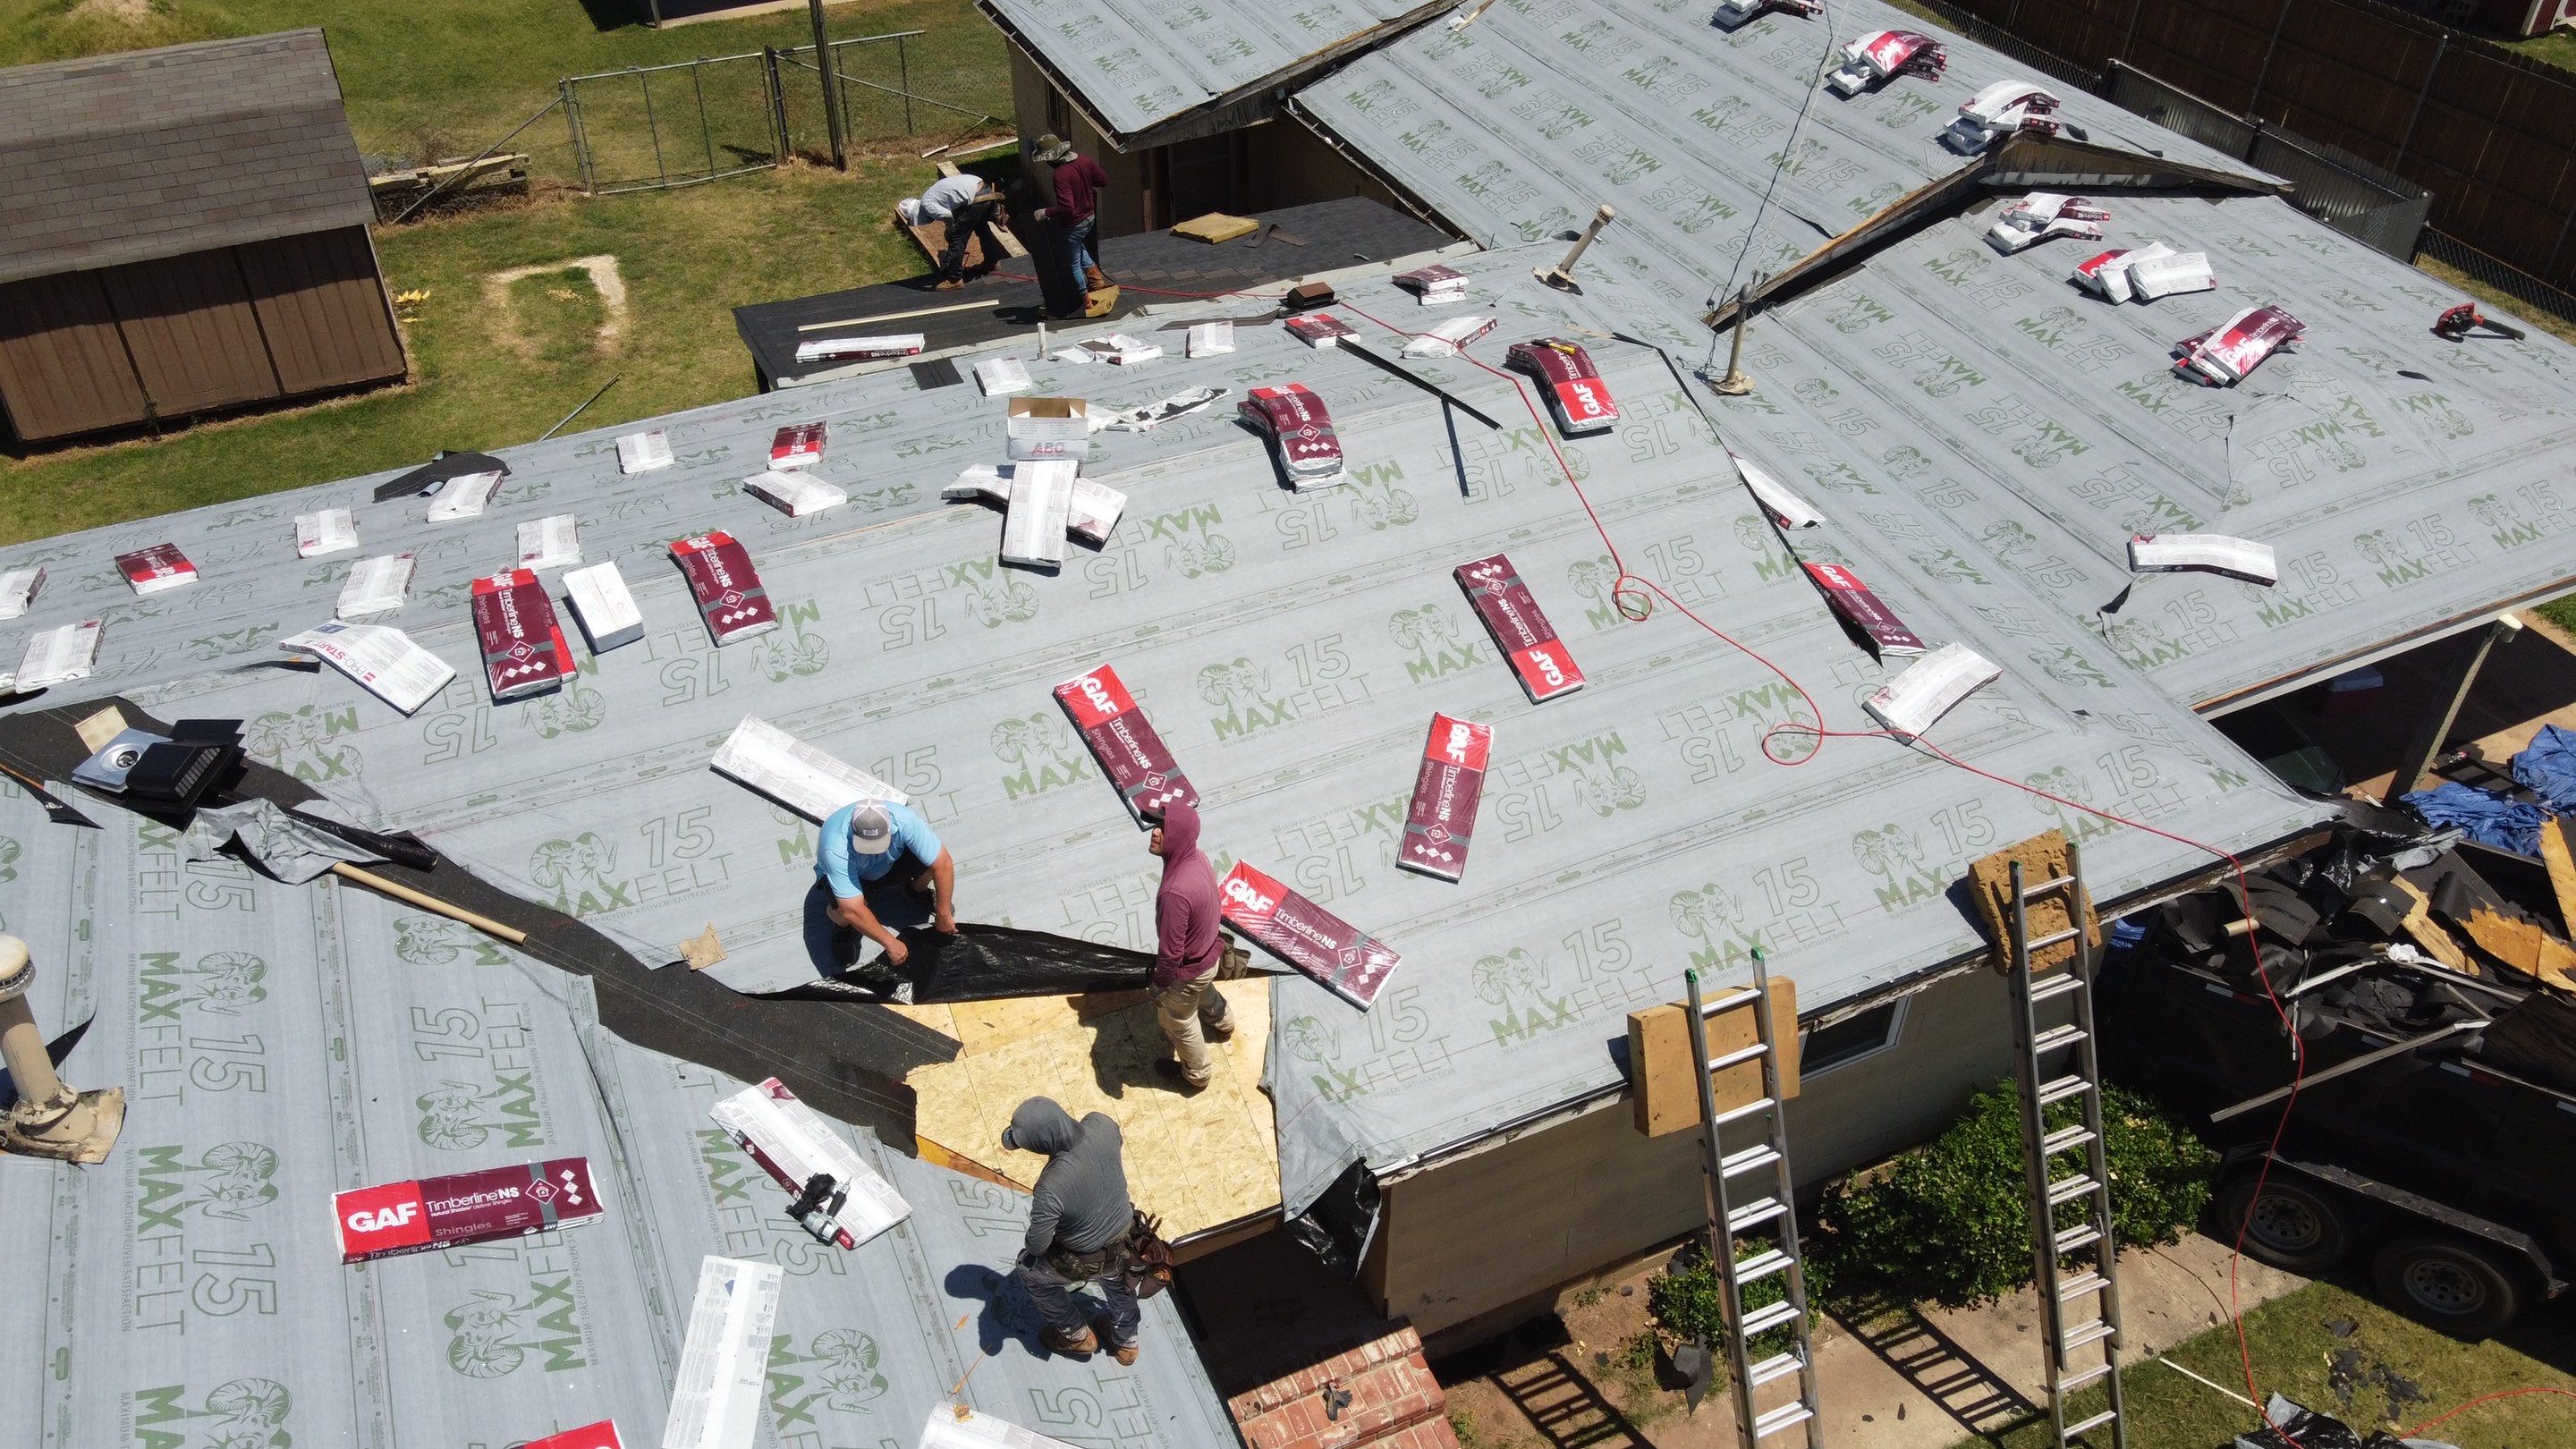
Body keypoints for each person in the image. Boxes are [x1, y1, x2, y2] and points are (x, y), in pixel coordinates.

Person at [1004, 1097, 1141, 1363]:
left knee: (1029, 1272)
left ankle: (1076, 1336)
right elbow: (1117, 1140)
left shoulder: (1051, 1187)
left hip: (1086, 1260)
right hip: (1128, 1242)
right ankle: (1127, 1342)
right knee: (1118, 1283)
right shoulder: (1100, 1124)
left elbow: (1037, 1245)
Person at [1147, 801, 1234, 1093]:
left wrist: (1159, 985)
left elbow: (1171, 954)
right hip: (1209, 955)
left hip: (1189, 970)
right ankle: (1224, 1022)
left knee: (1179, 1020)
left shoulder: (1175, 892)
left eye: (1163, 828)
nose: (1155, 832)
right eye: (1155, 825)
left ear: (1179, 836)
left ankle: (1197, 1075)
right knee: (1203, 990)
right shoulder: (1197, 857)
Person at [815, 799, 955, 968]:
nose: (874, 850)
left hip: (892, 863)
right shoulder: (835, 847)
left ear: (890, 826)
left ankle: (917, 890)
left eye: (878, 843)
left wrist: (944, 913)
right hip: (858, 877)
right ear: (853, 832)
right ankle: (843, 929)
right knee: (842, 911)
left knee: (930, 862)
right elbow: (852, 908)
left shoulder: (905, 820)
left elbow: (943, 863)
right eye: (867, 845)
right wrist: (890, 943)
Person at [1030, 133, 1111, 313]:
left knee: (1073, 262)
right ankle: (1097, 282)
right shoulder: (1084, 160)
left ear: (1052, 158)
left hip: (1075, 222)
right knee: (1079, 246)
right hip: (1089, 216)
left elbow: (1068, 208)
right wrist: (1084, 182)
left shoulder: (1060, 175)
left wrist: (1045, 212)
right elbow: (1102, 180)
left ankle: (1086, 301)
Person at [906, 172, 1005, 292]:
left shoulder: (926, 204)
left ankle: (955, 279)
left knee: (957, 238)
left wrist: (949, 230)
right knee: (981, 228)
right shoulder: (929, 196)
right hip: (984, 190)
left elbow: (947, 215)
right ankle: (992, 261)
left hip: (977, 197)